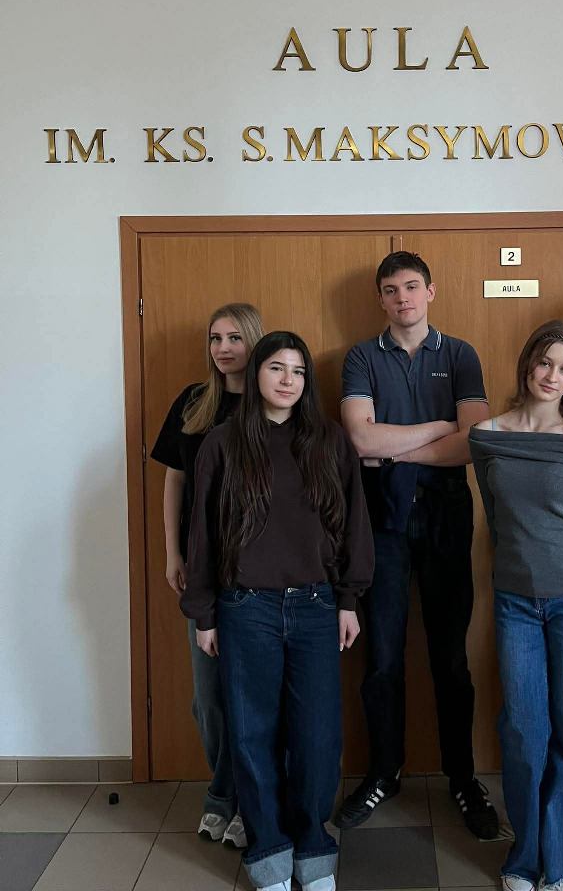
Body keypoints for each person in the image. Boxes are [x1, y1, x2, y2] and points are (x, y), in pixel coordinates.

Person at [181, 331, 374, 891]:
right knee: (251, 734)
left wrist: (348, 599)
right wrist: (204, 613)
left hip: (316, 607)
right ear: (256, 374)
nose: (288, 380)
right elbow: (203, 534)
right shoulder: (222, 444)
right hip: (245, 609)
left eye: (298, 371)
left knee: (318, 737)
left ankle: (313, 849)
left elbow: (353, 525)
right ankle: (267, 851)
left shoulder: (329, 441)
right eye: (276, 368)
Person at [335, 251, 499, 839]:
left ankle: (462, 776)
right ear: (380, 299)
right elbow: (359, 441)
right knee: (381, 659)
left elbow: (474, 443)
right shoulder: (361, 357)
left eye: (411, 286)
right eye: (390, 289)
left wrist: (396, 449)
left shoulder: (460, 355)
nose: (401, 297)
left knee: (451, 659)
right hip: (380, 524)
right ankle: (385, 772)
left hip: (446, 520)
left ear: (430, 291)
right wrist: (438, 428)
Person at [470, 320, 563, 891]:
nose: (553, 376)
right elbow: (496, 518)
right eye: (545, 363)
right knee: (525, 733)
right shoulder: (487, 434)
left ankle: (561, 865)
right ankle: (524, 858)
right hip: (516, 604)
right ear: (528, 362)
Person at [151, 301, 264, 847]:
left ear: (255, 341)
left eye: (235, 338)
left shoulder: (273, 400)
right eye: (215, 338)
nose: (223, 348)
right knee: (209, 696)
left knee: (255, 693)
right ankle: (225, 794)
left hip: (259, 572)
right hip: (202, 570)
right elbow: (174, 480)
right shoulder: (194, 402)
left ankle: (251, 801)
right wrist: (172, 553)